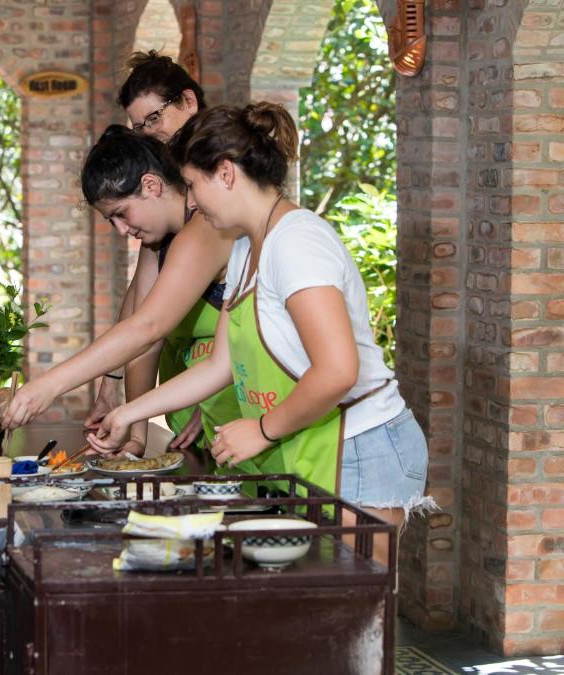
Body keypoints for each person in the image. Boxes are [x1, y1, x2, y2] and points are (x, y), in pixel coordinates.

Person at [92, 103, 434, 560]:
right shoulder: (245, 248)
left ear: (226, 173)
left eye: (193, 185)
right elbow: (219, 365)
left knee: (350, 613)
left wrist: (263, 430)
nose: (190, 201)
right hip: (319, 442)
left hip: (361, 446)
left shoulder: (297, 242)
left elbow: (337, 371)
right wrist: (129, 413)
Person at [2, 54, 239, 464]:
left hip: (251, 412)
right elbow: (140, 320)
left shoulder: (209, 220)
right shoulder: (162, 226)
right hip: (205, 415)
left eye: (153, 120)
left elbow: (151, 327)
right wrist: (134, 428)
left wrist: (49, 386)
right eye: (138, 126)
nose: (149, 134)